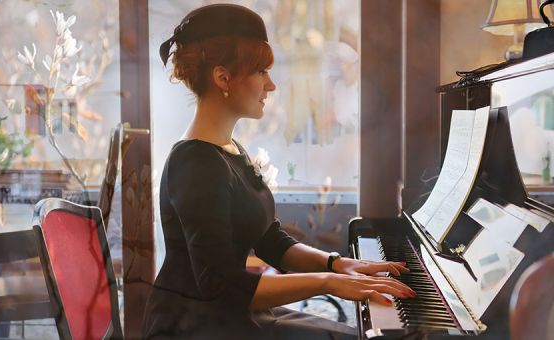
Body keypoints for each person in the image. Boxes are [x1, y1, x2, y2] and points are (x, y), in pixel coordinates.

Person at [143, 4, 415, 339]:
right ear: (222, 77)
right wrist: (329, 283)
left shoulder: (227, 151)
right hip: (196, 326)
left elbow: (270, 241)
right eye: (261, 72)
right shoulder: (195, 164)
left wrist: (336, 264)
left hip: (228, 314)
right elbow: (219, 285)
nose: (270, 86)